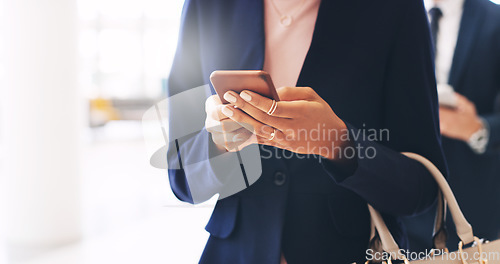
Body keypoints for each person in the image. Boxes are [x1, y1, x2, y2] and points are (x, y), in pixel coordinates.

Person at [167, 0, 448, 263]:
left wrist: (337, 143)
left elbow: (422, 189)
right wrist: (217, 143)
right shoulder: (207, 5)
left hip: (351, 251)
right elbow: (182, 178)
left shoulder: (394, 7)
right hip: (235, 252)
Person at [403, 0, 500, 252]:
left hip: (474, 207)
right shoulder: (388, 16)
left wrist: (478, 128)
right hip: (401, 203)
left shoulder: (495, 19)